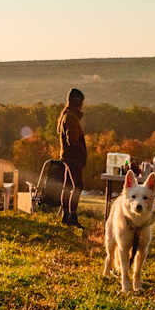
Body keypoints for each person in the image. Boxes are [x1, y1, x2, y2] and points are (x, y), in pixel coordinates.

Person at [57, 88, 88, 227]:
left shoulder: (66, 115)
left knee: (68, 186)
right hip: (73, 158)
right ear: (77, 102)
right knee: (77, 186)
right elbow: (72, 140)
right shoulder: (71, 117)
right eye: (81, 102)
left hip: (67, 157)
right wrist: (80, 153)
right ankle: (72, 217)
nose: (82, 105)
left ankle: (65, 216)